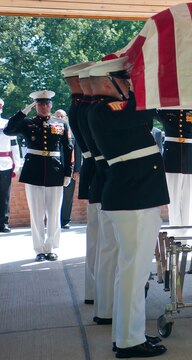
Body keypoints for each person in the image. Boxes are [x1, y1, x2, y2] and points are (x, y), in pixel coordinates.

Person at [87, 57, 168, 358]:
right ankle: (129, 341)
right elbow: (145, 108)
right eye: (125, 79)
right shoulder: (106, 109)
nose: (131, 83)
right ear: (109, 82)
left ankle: (127, 334)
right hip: (134, 198)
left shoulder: (111, 109)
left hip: (135, 196)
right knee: (133, 272)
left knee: (131, 272)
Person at [4, 90, 73, 261]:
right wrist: (22, 112)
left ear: (51, 105)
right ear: (36, 106)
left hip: (55, 172)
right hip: (33, 172)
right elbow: (8, 130)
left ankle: (51, 247)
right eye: (40, 104)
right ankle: (39, 250)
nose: (44, 107)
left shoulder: (61, 124)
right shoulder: (27, 123)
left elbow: (68, 148)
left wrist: (68, 172)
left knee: (54, 212)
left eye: (47, 103)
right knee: (36, 213)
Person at [61, 60, 97, 305]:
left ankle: (94, 292)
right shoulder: (83, 107)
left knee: (97, 239)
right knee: (99, 240)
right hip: (98, 172)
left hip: (95, 172)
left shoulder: (80, 105)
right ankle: (97, 292)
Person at [155, 109, 192, 235]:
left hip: (190, 159)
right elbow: (150, 110)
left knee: (188, 200)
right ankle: (175, 234)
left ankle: (186, 234)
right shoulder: (165, 111)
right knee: (173, 199)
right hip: (171, 160)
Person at [54, 109, 82, 229]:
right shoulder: (50, 132)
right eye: (57, 116)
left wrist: (77, 170)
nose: (59, 118)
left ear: (66, 118)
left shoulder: (73, 132)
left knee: (68, 196)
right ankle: (54, 220)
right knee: (54, 195)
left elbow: (78, 152)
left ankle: (65, 220)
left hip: (70, 168)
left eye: (62, 116)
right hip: (54, 169)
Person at [0, 98, 21, 233]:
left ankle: (3, 223)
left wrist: (17, 164)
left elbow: (14, 145)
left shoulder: (7, 123)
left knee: (4, 195)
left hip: (5, 163)